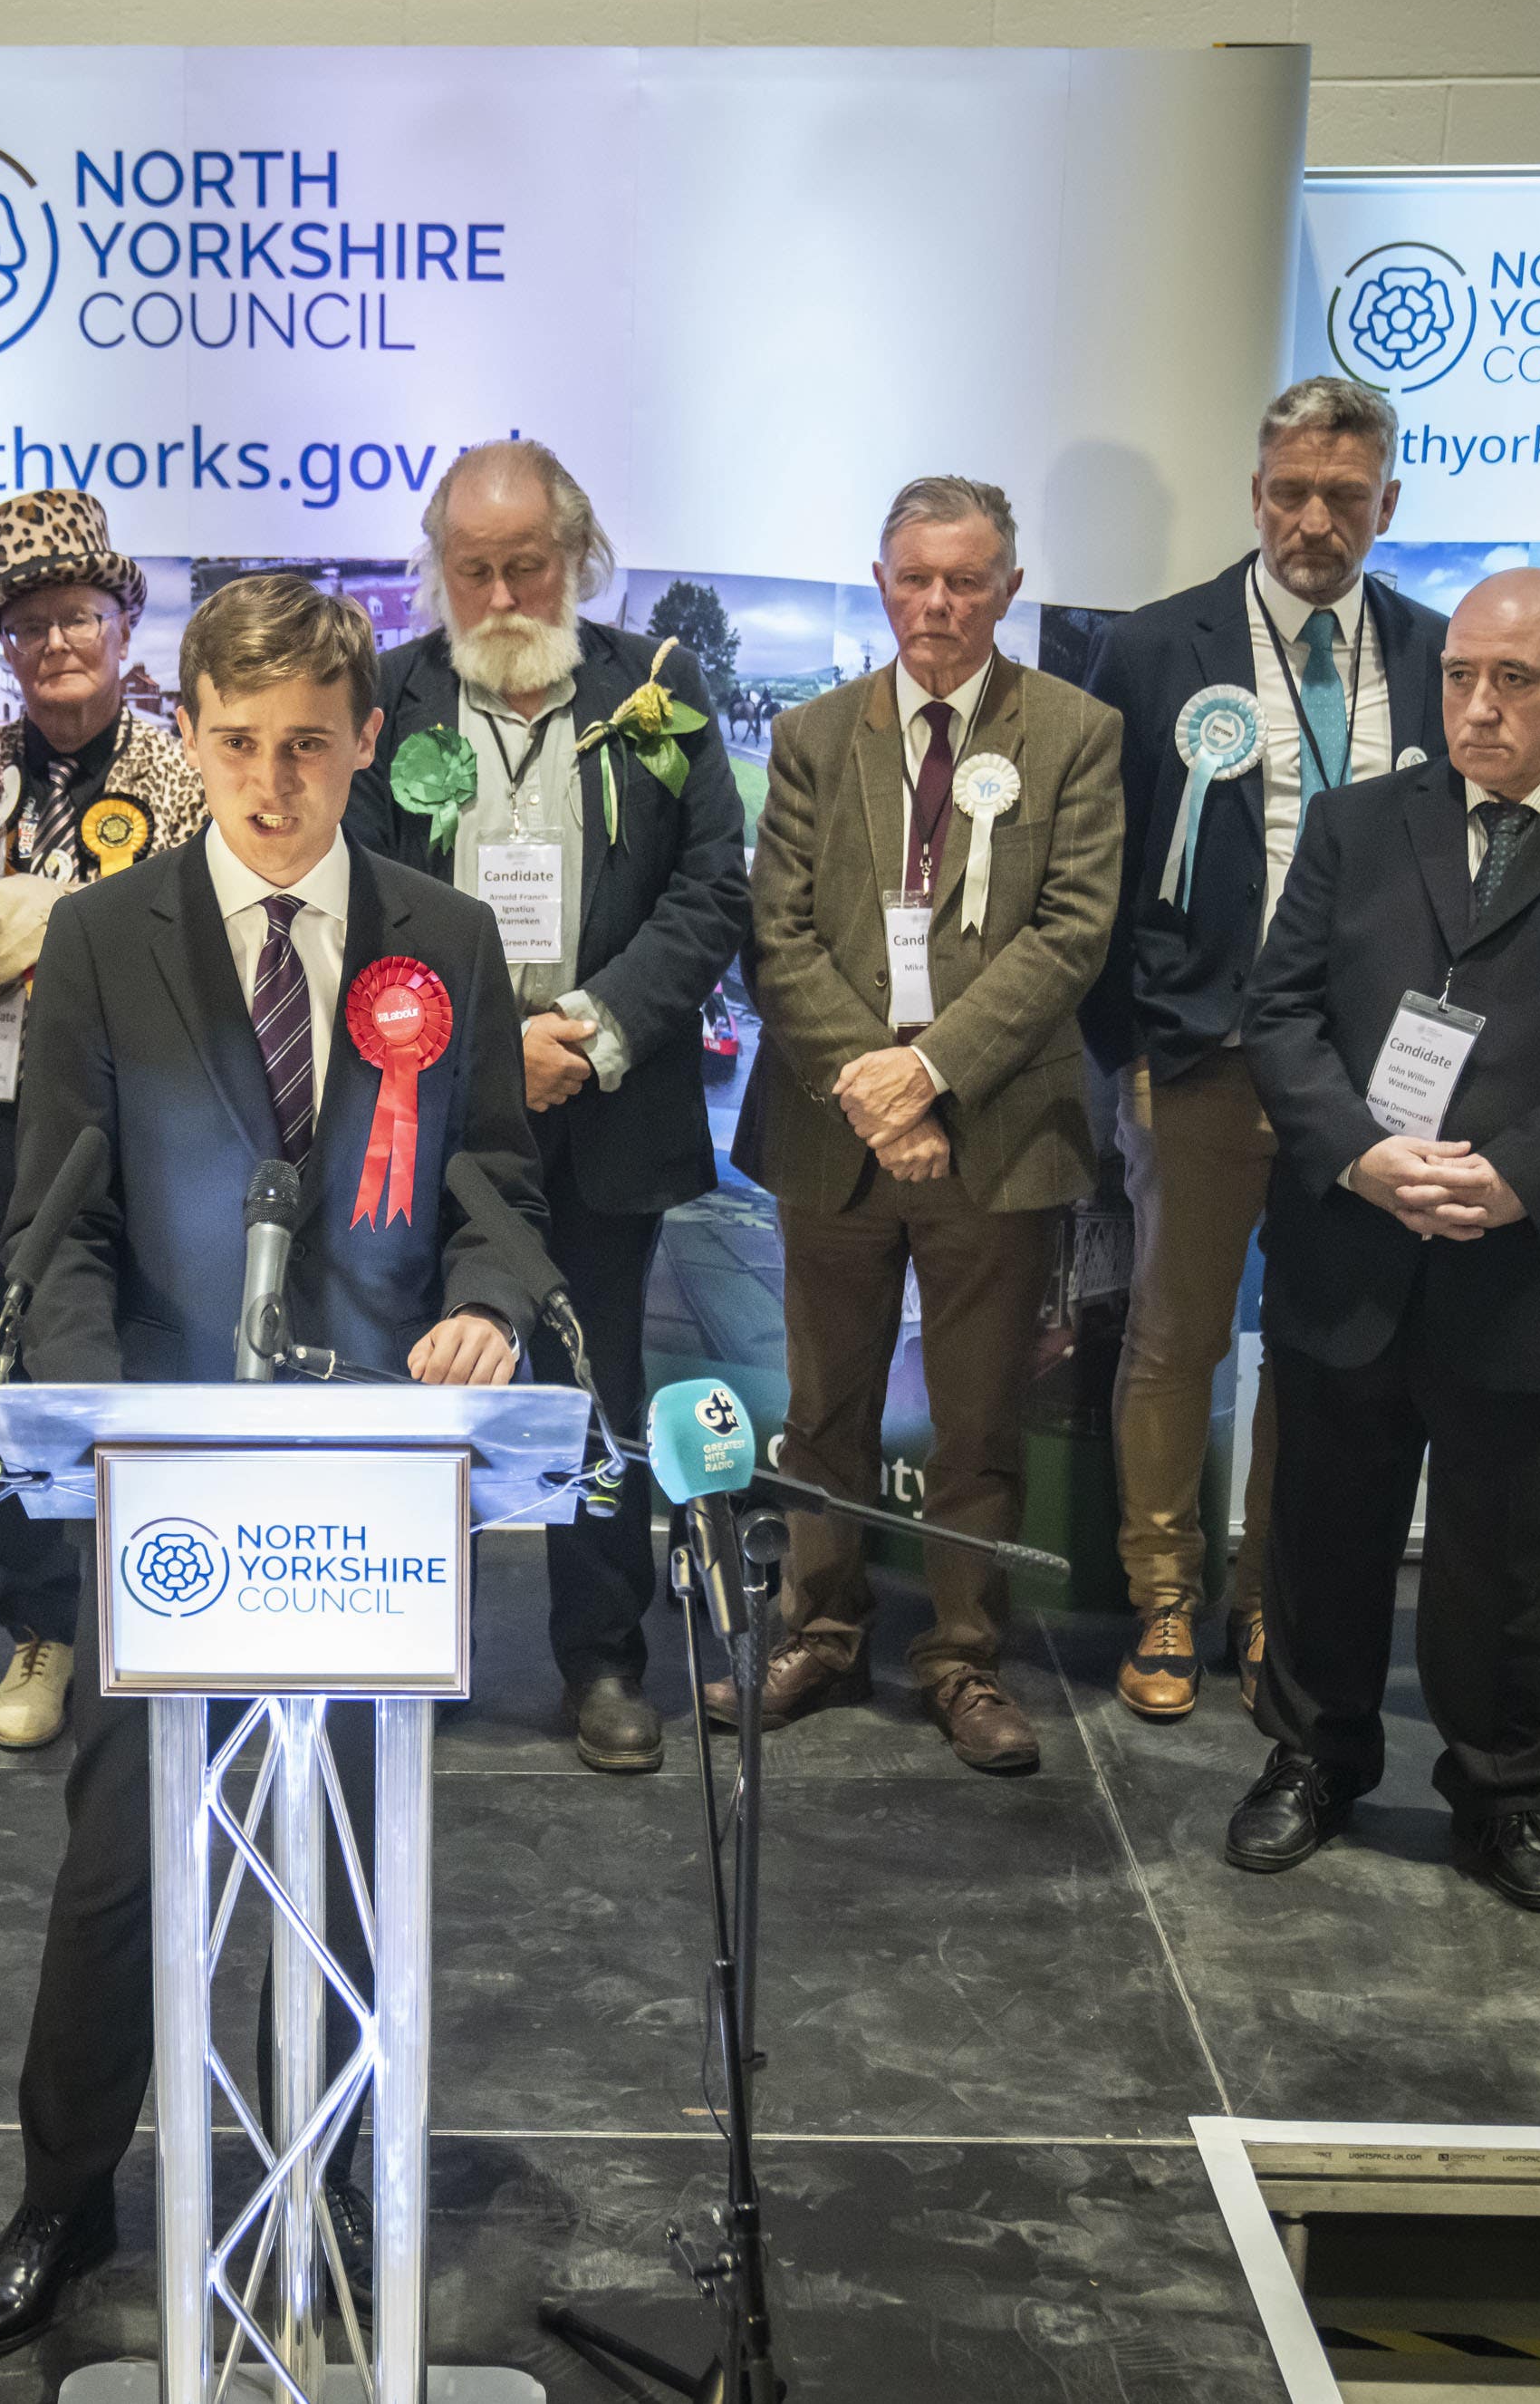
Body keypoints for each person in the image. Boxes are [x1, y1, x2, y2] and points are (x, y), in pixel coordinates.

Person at [0, 573, 546, 2363]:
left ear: (367, 739)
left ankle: (351, 2160)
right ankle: (62, 2194)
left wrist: (490, 1309)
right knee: (126, 1866)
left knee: (353, 1852)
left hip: (371, 1483)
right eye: (234, 745)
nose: (271, 784)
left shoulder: (444, 936)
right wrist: (103, 1430)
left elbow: (493, 1185)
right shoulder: (109, 937)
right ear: (185, 734)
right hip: (170, 1489)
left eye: (305, 745)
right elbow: (53, 1228)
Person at [1226, 569, 1540, 1911]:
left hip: (1533, 1267)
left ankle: (1504, 1793)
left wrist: (1520, 1176)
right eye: (1459, 676)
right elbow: (1278, 1016)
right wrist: (1360, 1149)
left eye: (1514, 680)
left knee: (1507, 1559)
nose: (1479, 708)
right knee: (1323, 1531)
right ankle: (1312, 1760)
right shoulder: (1353, 824)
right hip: (1355, 1248)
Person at [347, 439, 749, 1774]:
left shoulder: (661, 690)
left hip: (602, 1095)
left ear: (576, 556)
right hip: (428, 1104)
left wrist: (594, 1027)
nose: (505, 592)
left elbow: (710, 887)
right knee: (417, 1377)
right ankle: (411, 1642)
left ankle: (606, 1657)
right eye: (476, 569)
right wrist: (480, 1050)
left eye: (529, 563)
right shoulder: (387, 702)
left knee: (598, 1383)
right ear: (439, 571)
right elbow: (350, 897)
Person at [728, 478, 1121, 1773]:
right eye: (915, 577)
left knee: (976, 1423)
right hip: (833, 1133)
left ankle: (962, 1659)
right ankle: (821, 1627)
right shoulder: (812, 734)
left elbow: (1071, 929)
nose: (938, 604)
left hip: (995, 1132)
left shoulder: (1075, 731)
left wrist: (936, 1071)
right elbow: (775, 932)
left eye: (966, 579)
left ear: (1010, 585)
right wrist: (875, 1081)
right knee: (824, 1405)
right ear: (883, 578)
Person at [1082, 377, 1450, 1722]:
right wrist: (1129, 1045)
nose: (1314, 519)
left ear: (1386, 507)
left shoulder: (1429, 652)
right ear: (1255, 495)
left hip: (1371, 1076)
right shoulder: (1156, 647)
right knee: (1178, 1338)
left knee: (1318, 1341)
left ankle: (1269, 1595)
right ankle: (1167, 1595)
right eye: (1291, 491)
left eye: (1344, 497)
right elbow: (1103, 869)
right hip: (1202, 1053)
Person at [0, 488, 207, 1752]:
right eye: (31, 623)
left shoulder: (182, 771)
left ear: (125, 624)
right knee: (8, 1373)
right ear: (0, 641)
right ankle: (42, 1620)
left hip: (145, 1124)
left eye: (82, 615)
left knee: (144, 1357)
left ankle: (155, 1602)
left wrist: (61, 946)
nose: (58, 642)